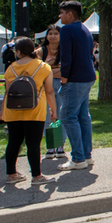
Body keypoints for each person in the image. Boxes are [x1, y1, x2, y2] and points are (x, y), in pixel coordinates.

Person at [0, 38, 58, 185]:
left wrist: (1, 111)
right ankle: (36, 176)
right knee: (33, 143)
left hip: (13, 111)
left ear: (17, 52)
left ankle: (11, 174)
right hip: (35, 110)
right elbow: (49, 91)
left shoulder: (10, 68)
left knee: (13, 142)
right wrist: (54, 110)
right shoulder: (43, 67)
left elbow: (7, 92)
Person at [56, 1, 98, 172]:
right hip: (88, 76)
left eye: (62, 13)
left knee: (67, 116)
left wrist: (64, 78)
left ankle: (78, 157)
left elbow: (66, 57)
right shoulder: (85, 29)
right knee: (83, 116)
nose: (60, 17)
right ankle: (86, 155)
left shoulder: (67, 30)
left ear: (70, 14)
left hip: (74, 78)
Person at [41, 25, 67, 159]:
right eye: (50, 33)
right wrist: (55, 70)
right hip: (46, 85)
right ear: (46, 36)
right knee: (48, 116)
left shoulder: (65, 50)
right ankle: (51, 146)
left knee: (62, 115)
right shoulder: (41, 51)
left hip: (62, 84)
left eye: (56, 33)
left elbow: (66, 69)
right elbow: (39, 69)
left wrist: (50, 69)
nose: (53, 36)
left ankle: (61, 145)